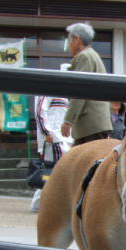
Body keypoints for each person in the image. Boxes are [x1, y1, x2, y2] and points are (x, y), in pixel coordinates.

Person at [31, 64, 73, 212]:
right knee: (57, 170)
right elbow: (40, 112)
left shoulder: (65, 93)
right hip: (54, 137)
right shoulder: (48, 88)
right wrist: (47, 132)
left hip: (62, 137)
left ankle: (38, 202)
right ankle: (42, 203)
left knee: (54, 170)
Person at [61, 23, 112, 145]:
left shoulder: (85, 56)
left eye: (69, 41)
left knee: (87, 161)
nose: (69, 46)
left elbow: (80, 89)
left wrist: (68, 121)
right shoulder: (92, 55)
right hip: (94, 125)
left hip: (90, 125)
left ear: (77, 40)